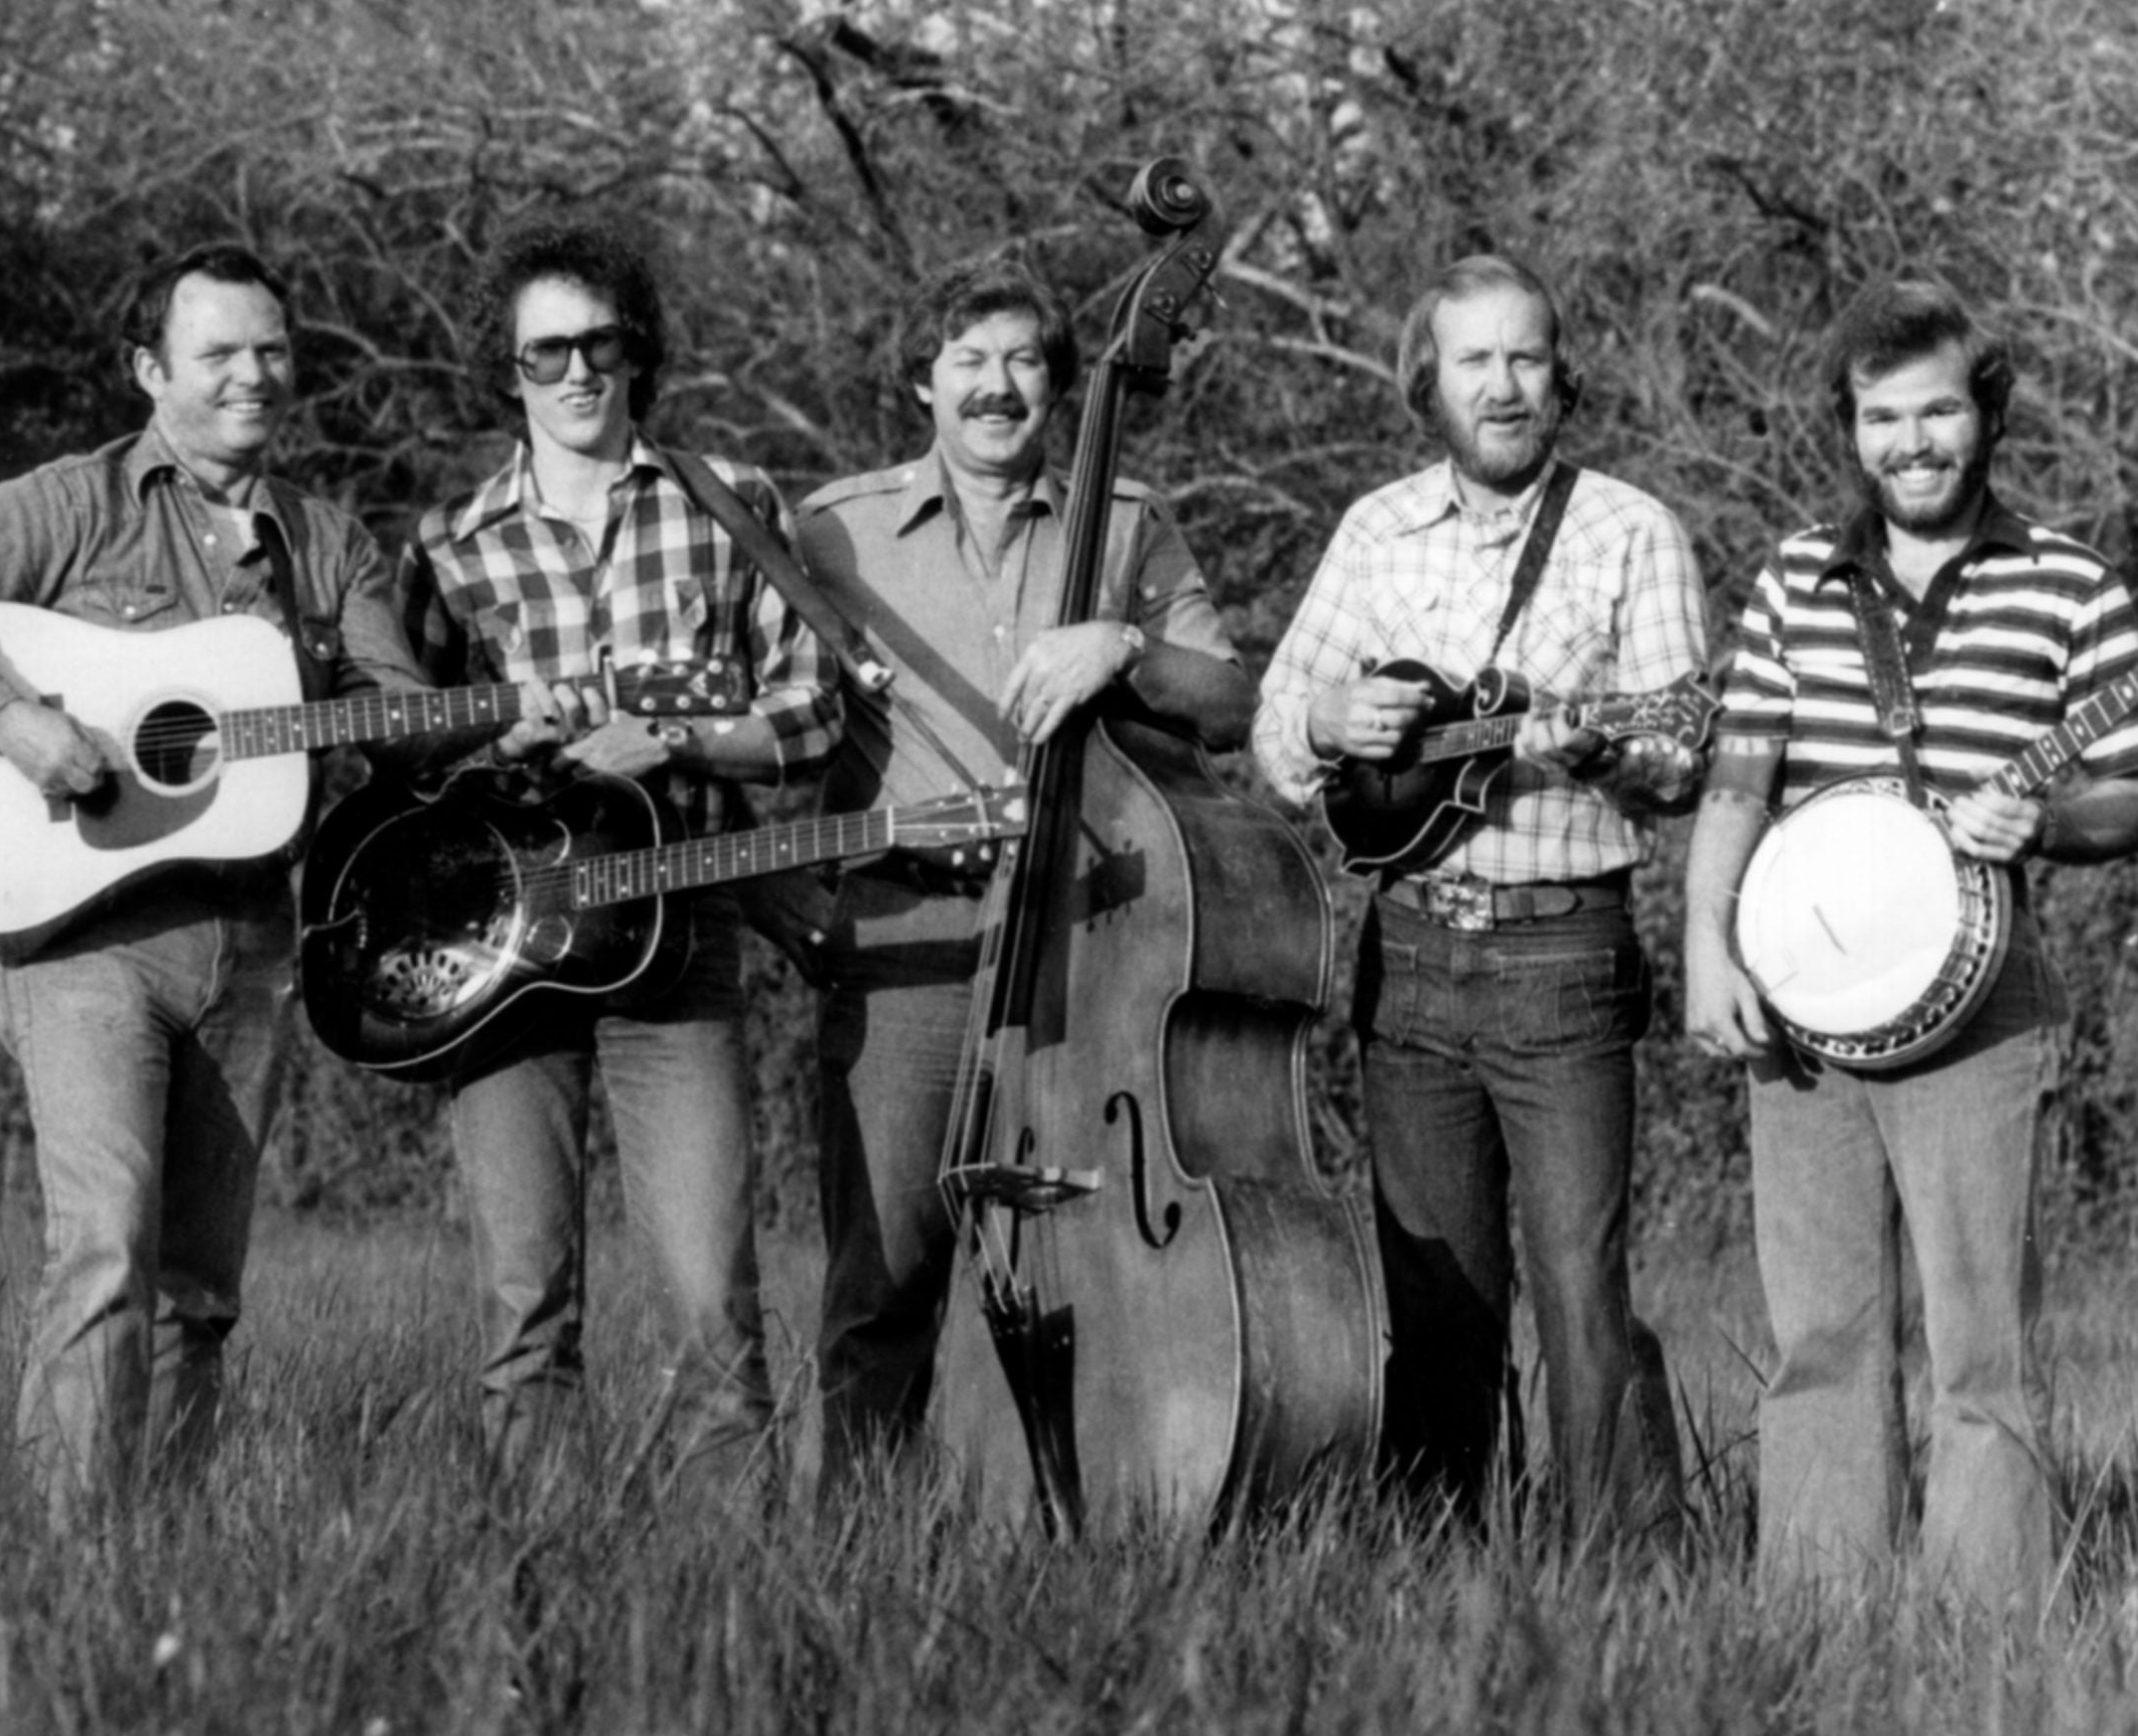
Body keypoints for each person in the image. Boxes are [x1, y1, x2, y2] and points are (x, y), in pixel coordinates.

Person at [0, 242, 432, 1524]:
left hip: (252, 946)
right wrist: (15, 724)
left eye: (272, 349)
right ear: (148, 370)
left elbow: (399, 714)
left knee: (201, 1286)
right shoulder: (78, 504)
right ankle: (64, 1566)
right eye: (217, 352)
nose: (252, 377)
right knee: (106, 1245)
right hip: (83, 941)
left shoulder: (328, 544)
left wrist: (487, 716)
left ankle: (157, 1570)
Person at [1683, 278, 2138, 1614]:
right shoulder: (1795, 572)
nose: (1913, 441)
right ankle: (1821, 1624)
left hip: (1988, 1009)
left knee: (1982, 1347)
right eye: (1882, 416)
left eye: (1938, 409)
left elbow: (2135, 793)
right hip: (1802, 1009)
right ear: (1850, 429)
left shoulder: (2068, 580)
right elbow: (1738, 777)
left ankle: (1986, 1636)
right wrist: (1706, 947)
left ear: (1985, 410)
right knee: (1820, 1339)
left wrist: (2050, 814)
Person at [1252, 253, 1701, 1538]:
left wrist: (1604, 747)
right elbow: (1280, 740)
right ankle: (1436, 1568)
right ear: (1428, 385)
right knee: (1433, 1288)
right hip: (1408, 959)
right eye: (1475, 361)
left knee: (1579, 1285)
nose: (1503, 386)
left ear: (1563, 377)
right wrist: (1335, 716)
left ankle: (1630, 1582)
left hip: (1563, 954)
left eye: (1526, 358)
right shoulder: (1374, 532)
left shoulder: (1631, 532)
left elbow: (1681, 756)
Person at [790, 254, 1255, 1489]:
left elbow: (1228, 702)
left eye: (1024, 361)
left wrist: (1129, 644)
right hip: (901, 964)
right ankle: (854, 1552)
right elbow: (776, 734)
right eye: (968, 361)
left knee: (1080, 1281)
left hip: (1086, 965)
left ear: (1059, 386)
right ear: (920, 384)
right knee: (880, 1281)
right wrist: (804, 917)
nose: (997, 388)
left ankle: (1059, 1538)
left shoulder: (1128, 521)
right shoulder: (828, 532)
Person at [389, 216, 839, 1485]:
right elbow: (398, 770)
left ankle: (723, 1625)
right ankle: (546, 1606)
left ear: (640, 352)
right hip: (500, 958)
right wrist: (495, 749)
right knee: (523, 1310)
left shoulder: (731, 504)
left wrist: (685, 740)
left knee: (713, 1305)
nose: (577, 373)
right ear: (509, 372)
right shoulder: (448, 544)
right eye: (546, 354)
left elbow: (812, 710)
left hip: (673, 938)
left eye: (601, 344)